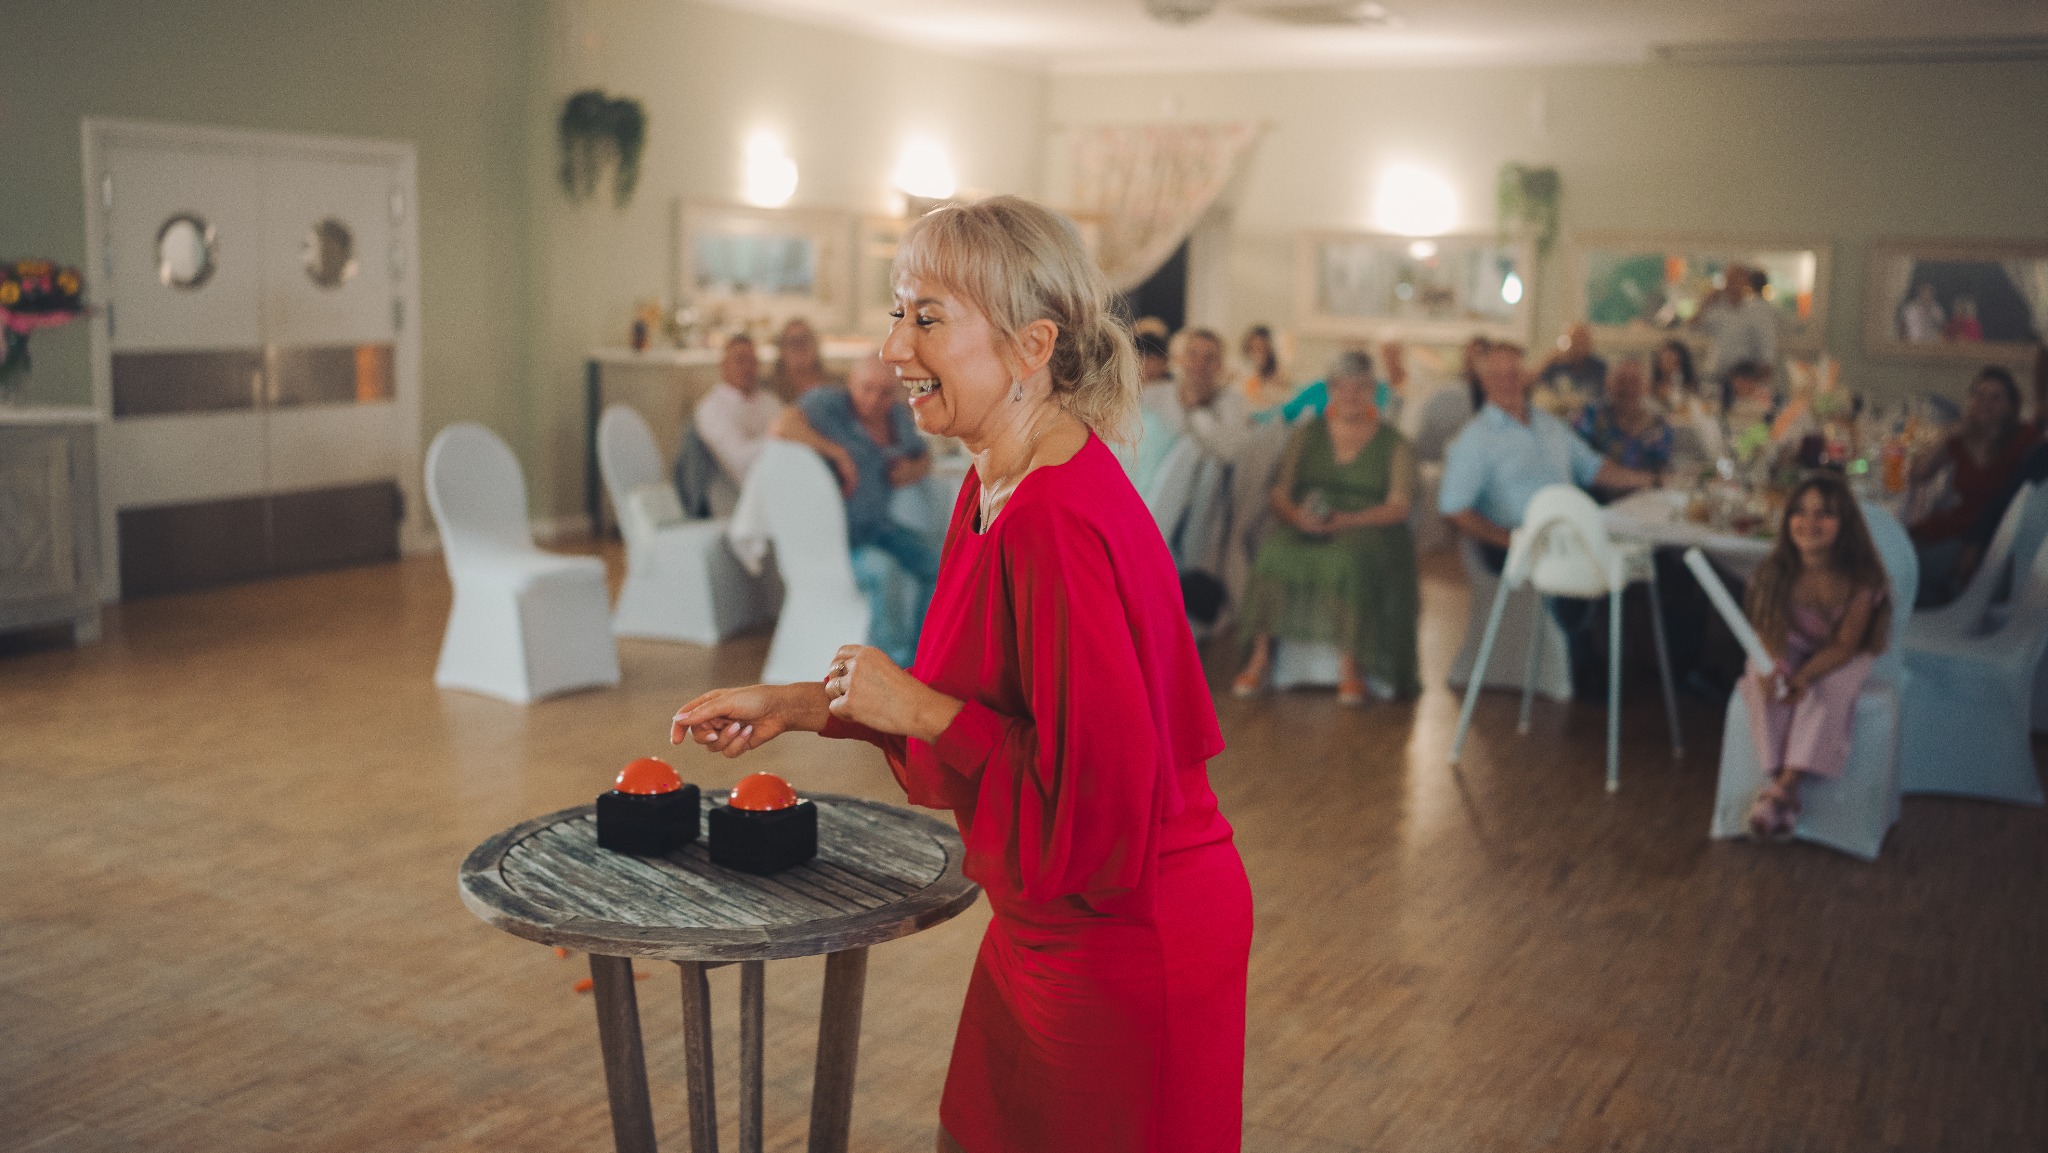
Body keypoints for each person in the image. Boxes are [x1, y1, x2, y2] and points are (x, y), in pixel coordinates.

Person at [669, 195, 1252, 1153]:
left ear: (1033, 346)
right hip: (1048, 917)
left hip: (1122, 927)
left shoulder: (1055, 517)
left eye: (927, 317)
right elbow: (976, 712)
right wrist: (799, 705)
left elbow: (1097, 792)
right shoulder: (994, 479)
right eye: (899, 313)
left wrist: (922, 708)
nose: (896, 347)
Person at [1439, 341, 1658, 698]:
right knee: (1593, 569)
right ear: (1484, 382)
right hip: (1517, 542)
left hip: (1572, 534)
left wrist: (1652, 480)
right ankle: (1586, 668)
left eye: (1515, 372)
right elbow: (1454, 509)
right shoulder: (1475, 439)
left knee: (1652, 560)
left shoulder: (1548, 424)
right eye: (1499, 375)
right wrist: (1510, 539)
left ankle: (1636, 668)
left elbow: (1593, 467)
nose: (1510, 380)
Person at [1232, 351, 1418, 705]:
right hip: (1310, 521)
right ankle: (1261, 658)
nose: (1350, 395)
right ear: (1330, 390)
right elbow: (1279, 494)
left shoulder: (1393, 442)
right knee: (1273, 553)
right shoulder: (1306, 434)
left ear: (1372, 391)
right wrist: (1297, 516)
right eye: (1341, 387)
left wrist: (1348, 520)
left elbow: (1399, 507)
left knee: (1346, 560)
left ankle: (1351, 667)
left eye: (1359, 388)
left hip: (1369, 527)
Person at [1739, 473, 1892, 840]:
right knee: (1761, 683)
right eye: (1800, 512)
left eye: (1824, 514)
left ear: (1845, 525)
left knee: (1825, 692)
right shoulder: (1775, 572)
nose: (1809, 522)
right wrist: (1775, 672)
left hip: (1842, 653)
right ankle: (1781, 789)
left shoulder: (1861, 580)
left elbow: (1844, 646)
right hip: (1789, 643)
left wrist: (1804, 676)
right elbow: (1770, 634)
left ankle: (1785, 785)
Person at [771, 355, 941, 665]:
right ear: (851, 383)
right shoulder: (829, 404)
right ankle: (893, 666)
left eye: (885, 392)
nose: (875, 399)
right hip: (836, 539)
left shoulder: (897, 419)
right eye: (866, 389)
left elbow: (924, 457)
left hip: (879, 527)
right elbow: (783, 424)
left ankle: (923, 658)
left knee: (940, 561)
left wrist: (914, 469)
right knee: (884, 570)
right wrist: (837, 453)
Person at [1907, 365, 2041, 603]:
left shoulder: (2025, 439)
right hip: (1955, 526)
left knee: (1900, 566)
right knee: (1900, 551)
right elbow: (1919, 474)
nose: (1985, 402)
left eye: (1995, 397)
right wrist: (1946, 435)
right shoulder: (1962, 438)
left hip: (1988, 537)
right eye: (1979, 395)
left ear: (2011, 407)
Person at [694, 332, 784, 488]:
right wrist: (784, 437)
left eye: (753, 361)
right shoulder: (712, 408)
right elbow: (739, 460)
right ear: (723, 365)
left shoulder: (771, 402)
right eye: (740, 360)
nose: (748, 367)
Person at [1574, 358, 1673, 495]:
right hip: (1595, 503)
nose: (1628, 388)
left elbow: (1663, 470)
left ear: (1646, 388)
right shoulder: (1589, 418)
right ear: (1608, 384)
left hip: (1645, 502)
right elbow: (1577, 465)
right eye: (1621, 381)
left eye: (1634, 382)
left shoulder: (1658, 427)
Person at [1695, 264, 1779, 389]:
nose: (1731, 284)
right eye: (1728, 279)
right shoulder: (1717, 309)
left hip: (1743, 381)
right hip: (1716, 376)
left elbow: (1767, 350)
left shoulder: (1758, 311)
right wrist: (1705, 303)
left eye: (1735, 279)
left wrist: (1759, 384)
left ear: (1745, 281)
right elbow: (1693, 327)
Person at [767, 317, 840, 400]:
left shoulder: (835, 387)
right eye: (792, 341)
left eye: (804, 340)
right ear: (782, 349)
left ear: (815, 345)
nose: (799, 347)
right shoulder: (769, 390)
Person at [1537, 321, 1608, 406]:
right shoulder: (1555, 365)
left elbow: (1607, 397)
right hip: (1557, 415)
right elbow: (1531, 385)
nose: (1579, 345)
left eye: (1583, 340)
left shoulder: (1599, 368)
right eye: (1575, 340)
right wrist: (1548, 360)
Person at [1239, 324, 1291, 410]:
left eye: (1260, 348)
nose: (1257, 353)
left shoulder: (1280, 373)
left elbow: (1283, 398)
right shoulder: (1242, 371)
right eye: (1253, 348)